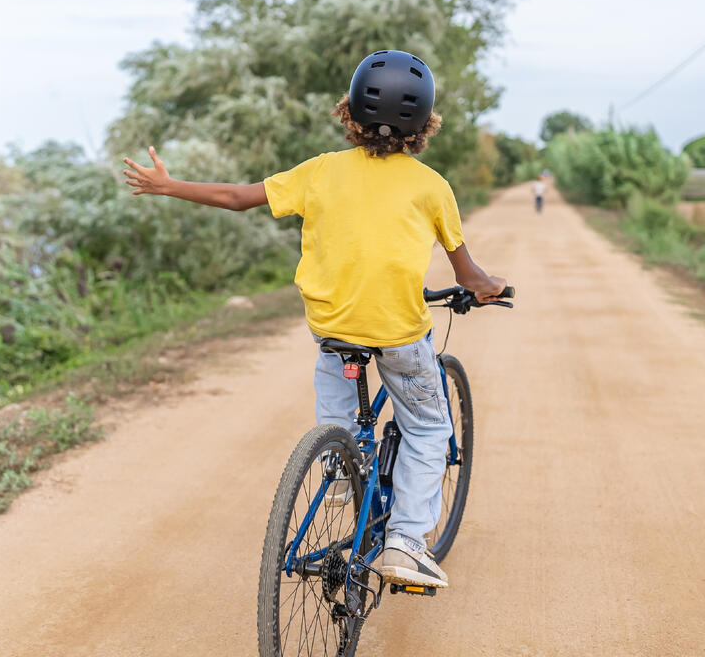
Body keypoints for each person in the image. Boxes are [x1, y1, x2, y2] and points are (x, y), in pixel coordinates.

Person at [122, 50, 507, 588]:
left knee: (340, 411)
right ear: (424, 125)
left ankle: (340, 465)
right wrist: (488, 288)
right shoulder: (432, 186)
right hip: (399, 335)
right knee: (427, 428)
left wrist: (168, 185)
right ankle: (403, 543)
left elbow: (237, 197)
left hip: (332, 330)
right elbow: (467, 273)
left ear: (348, 113)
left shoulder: (321, 171)